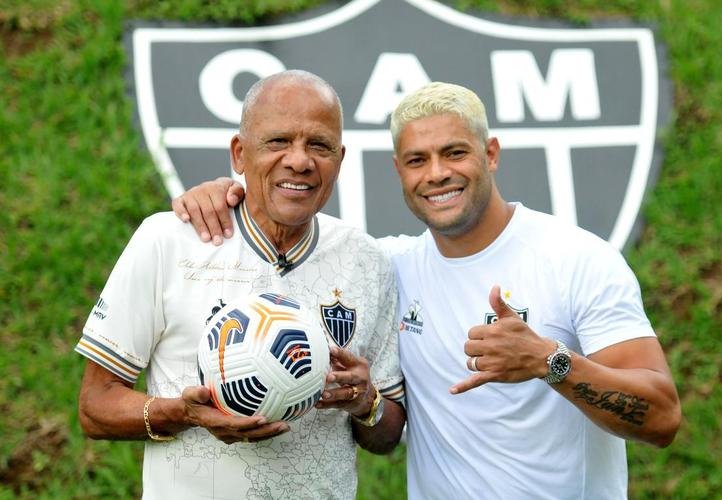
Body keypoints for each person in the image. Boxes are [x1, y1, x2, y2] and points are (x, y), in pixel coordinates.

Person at [174, 81, 681, 499]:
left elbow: (661, 417)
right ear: (399, 170)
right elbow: (291, 228)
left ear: (491, 154)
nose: (437, 174)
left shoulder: (577, 259)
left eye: (454, 153)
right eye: (417, 160)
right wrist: (224, 192)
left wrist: (550, 362)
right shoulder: (386, 266)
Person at [75, 70, 406, 500]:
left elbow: (388, 434)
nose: (300, 161)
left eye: (319, 145)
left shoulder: (366, 261)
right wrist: (184, 414)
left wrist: (367, 403)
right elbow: (95, 406)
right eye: (278, 141)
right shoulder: (169, 241)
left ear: (339, 159)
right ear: (239, 153)